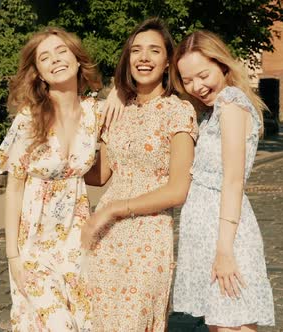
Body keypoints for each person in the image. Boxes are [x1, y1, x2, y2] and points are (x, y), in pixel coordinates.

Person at [81, 18, 198, 331]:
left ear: (168, 61)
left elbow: (178, 190)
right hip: (104, 236)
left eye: (154, 51)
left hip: (148, 235)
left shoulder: (178, 110)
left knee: (134, 322)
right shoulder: (120, 108)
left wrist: (116, 208)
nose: (144, 57)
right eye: (136, 50)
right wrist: (58, 161)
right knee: (98, 320)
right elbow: (101, 174)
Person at [0, 27, 103, 331]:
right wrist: (13, 255)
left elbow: (105, 172)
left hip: (78, 241)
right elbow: (14, 190)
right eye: (45, 57)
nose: (55, 60)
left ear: (78, 59)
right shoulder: (29, 118)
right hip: (34, 244)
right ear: (38, 72)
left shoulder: (96, 113)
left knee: (83, 323)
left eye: (61, 51)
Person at [170, 30, 275, 331]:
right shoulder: (213, 111)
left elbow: (232, 181)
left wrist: (224, 251)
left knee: (233, 324)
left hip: (224, 234)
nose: (196, 87)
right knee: (221, 324)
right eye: (187, 80)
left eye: (203, 75)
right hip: (208, 234)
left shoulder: (230, 102)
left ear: (222, 65)